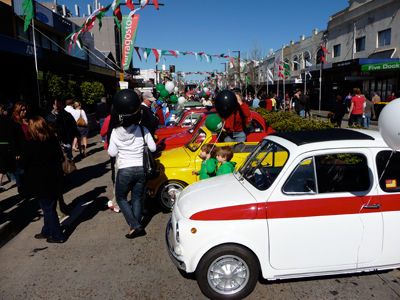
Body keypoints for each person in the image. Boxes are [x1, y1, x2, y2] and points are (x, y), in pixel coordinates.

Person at [108, 113, 156, 239]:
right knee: (137, 198)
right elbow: (153, 147)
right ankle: (137, 226)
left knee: (121, 198)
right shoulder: (142, 129)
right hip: (141, 168)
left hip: (125, 168)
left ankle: (135, 225)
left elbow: (112, 152)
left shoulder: (115, 131)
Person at [19, 116, 65, 243]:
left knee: (48, 208)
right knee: (49, 206)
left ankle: (57, 235)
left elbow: (22, 164)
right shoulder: (53, 141)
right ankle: (46, 230)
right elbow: (59, 157)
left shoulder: (31, 145)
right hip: (54, 178)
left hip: (41, 181)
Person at [100, 108, 121, 213]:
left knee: (116, 175)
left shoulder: (110, 118)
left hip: (114, 149)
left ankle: (117, 203)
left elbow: (103, 132)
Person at [8, 102, 30, 194]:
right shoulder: (13, 122)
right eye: (22, 110)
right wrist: (17, 152)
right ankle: (21, 188)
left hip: (29, 147)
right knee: (20, 170)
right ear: (17, 111)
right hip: (20, 150)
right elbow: (12, 139)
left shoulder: (27, 120)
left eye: (25, 110)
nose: (24, 112)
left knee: (28, 169)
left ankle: (29, 187)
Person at [0, 104, 15, 192]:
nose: (7, 112)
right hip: (6, 144)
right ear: (2, 110)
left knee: (1, 165)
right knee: (7, 164)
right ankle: (14, 179)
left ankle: (1, 183)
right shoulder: (7, 120)